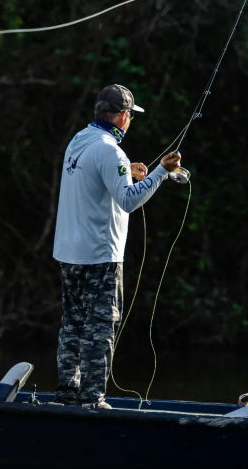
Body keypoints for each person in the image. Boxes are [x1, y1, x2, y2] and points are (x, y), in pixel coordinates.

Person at [53, 83, 181, 408]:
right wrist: (160, 174)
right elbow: (127, 200)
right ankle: (92, 399)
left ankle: (67, 394)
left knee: (72, 325)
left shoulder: (78, 141)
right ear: (124, 116)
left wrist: (129, 171)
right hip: (100, 257)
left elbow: (100, 181)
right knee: (100, 327)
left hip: (69, 254)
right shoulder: (111, 150)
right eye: (131, 116)